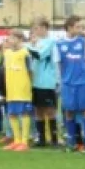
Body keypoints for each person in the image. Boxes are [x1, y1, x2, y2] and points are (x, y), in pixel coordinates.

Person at [56, 16, 85, 153]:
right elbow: (59, 64)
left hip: (83, 82)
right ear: (69, 27)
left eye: (81, 27)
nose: (80, 29)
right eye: (78, 27)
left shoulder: (83, 42)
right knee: (69, 111)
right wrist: (66, 78)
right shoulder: (59, 44)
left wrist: (80, 73)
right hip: (68, 83)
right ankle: (71, 141)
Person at [0, 29, 34, 151]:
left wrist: (28, 85)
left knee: (24, 113)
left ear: (20, 40)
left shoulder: (25, 53)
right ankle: (16, 140)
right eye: (9, 38)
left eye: (13, 38)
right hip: (11, 90)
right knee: (12, 114)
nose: (10, 40)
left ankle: (24, 142)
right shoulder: (7, 53)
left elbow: (30, 71)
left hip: (23, 89)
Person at [27, 18, 59, 148]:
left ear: (45, 28)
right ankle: (41, 139)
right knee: (38, 110)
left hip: (47, 82)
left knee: (50, 110)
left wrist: (28, 46)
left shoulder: (50, 42)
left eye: (38, 28)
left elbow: (39, 55)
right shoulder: (35, 42)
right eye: (34, 28)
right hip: (36, 81)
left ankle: (54, 139)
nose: (36, 31)